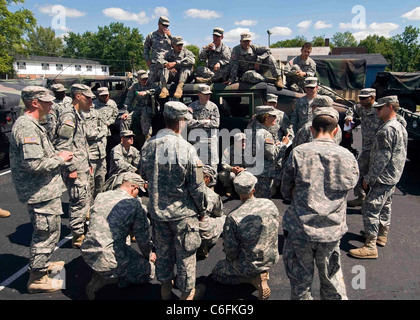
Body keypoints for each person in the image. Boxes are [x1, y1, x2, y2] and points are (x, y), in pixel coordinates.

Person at [281, 107, 359, 300]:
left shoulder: (299, 153)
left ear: (311, 130)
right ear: (335, 130)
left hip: (301, 230)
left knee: (300, 285)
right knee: (332, 281)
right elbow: (351, 185)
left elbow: (285, 189)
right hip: (331, 231)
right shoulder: (347, 156)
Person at [140, 101, 208, 300]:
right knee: (186, 255)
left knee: (163, 252)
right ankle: (188, 294)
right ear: (180, 122)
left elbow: (143, 173)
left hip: (158, 212)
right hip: (183, 214)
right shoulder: (186, 148)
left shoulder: (148, 145)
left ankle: (165, 291)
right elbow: (196, 186)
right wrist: (202, 210)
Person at [9, 86, 74, 293]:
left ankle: (42, 266)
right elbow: (34, 164)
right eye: (46, 101)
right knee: (45, 234)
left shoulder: (32, 124)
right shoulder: (26, 127)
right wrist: (60, 158)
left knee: (50, 231)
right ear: (34, 103)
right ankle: (37, 278)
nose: (51, 104)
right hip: (40, 192)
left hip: (45, 190)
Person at [349, 96, 407, 259]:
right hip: (393, 175)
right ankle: (381, 235)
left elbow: (383, 157)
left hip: (382, 177)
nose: (376, 110)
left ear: (389, 107)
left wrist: (369, 178)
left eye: (380, 108)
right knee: (385, 205)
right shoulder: (400, 126)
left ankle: (370, 245)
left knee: (370, 208)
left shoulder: (387, 129)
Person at [81, 172, 156, 300]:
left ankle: (108, 271)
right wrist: (148, 256)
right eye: (139, 191)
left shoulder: (101, 196)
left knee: (121, 248)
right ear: (134, 188)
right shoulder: (134, 205)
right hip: (109, 256)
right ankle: (112, 278)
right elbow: (142, 239)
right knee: (150, 271)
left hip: (88, 250)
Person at [211, 171, 280, 300]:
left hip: (248, 264)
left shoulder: (233, 216)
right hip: (271, 257)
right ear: (254, 189)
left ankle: (252, 279)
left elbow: (231, 251)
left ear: (237, 191)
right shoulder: (269, 204)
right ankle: (262, 272)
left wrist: (231, 261)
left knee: (217, 272)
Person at [345, 88, 407, 208]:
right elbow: (351, 109)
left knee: (374, 177)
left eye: (364, 98)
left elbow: (401, 122)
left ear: (372, 98)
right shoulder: (361, 108)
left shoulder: (380, 110)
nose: (361, 100)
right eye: (360, 98)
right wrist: (349, 117)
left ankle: (369, 203)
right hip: (366, 149)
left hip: (379, 150)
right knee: (357, 172)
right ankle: (361, 197)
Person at [54, 84, 94, 249]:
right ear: (78, 96)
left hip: (82, 165)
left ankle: (81, 228)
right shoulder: (69, 117)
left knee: (84, 199)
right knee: (78, 200)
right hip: (75, 168)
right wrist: (71, 168)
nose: (91, 101)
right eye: (88, 97)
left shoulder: (78, 115)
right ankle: (78, 236)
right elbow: (63, 146)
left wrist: (88, 164)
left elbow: (80, 143)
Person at [250, 105, 289, 198]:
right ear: (266, 118)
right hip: (264, 173)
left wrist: (275, 146)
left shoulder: (255, 130)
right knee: (264, 201)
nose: (276, 118)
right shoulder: (265, 134)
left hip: (256, 170)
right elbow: (272, 155)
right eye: (273, 116)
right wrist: (283, 144)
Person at [187, 84, 220, 170]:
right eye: (205, 94)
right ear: (199, 94)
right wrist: (204, 121)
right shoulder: (191, 107)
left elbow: (215, 123)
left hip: (210, 141)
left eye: (209, 94)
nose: (208, 96)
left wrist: (197, 122)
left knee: (212, 166)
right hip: (197, 142)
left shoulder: (213, 107)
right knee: (197, 166)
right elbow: (188, 123)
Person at [121, 71, 160, 143]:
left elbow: (158, 90)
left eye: (146, 79)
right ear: (138, 79)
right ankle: (125, 140)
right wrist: (126, 111)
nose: (145, 81)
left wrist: (147, 92)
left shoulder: (150, 84)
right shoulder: (135, 86)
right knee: (125, 119)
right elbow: (129, 99)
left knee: (144, 117)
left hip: (149, 107)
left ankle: (147, 139)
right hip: (138, 107)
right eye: (143, 79)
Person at [197, 165, 225, 259]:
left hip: (179, 230)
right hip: (201, 233)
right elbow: (218, 213)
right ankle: (202, 245)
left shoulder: (182, 190)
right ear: (207, 178)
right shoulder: (212, 195)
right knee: (223, 219)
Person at [83, 104, 108, 202]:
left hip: (101, 154)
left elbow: (105, 129)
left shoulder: (97, 113)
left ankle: (99, 204)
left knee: (101, 181)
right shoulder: (80, 116)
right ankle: (87, 207)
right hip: (90, 156)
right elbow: (88, 134)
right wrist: (99, 132)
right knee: (90, 184)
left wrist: (98, 132)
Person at [143, 16, 173, 83]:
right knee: (150, 84)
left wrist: (170, 36)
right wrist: (147, 60)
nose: (165, 27)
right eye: (164, 25)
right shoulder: (151, 36)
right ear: (159, 24)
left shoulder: (170, 37)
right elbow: (146, 49)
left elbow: (177, 48)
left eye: (167, 26)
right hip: (155, 65)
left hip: (167, 65)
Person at [219, 132, 248, 197]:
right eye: (241, 141)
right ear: (235, 142)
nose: (243, 143)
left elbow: (253, 164)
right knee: (223, 175)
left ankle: (246, 190)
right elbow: (224, 163)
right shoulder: (228, 150)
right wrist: (231, 168)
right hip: (233, 171)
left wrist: (244, 169)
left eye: (245, 141)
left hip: (244, 171)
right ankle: (229, 188)